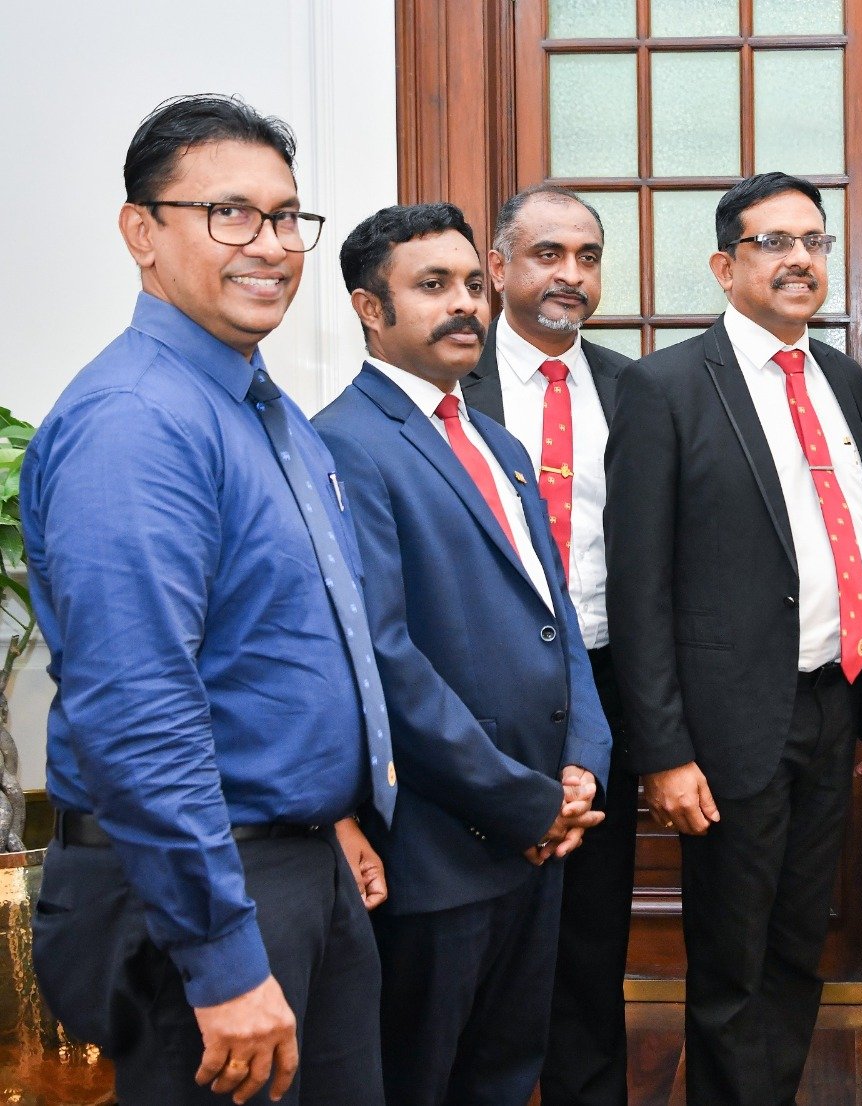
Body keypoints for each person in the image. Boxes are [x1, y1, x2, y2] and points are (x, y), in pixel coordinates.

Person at [22, 94, 393, 1106]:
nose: (269, 244)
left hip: (293, 861)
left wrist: (330, 816)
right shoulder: (136, 422)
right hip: (200, 889)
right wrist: (223, 957)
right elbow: (138, 711)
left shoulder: (261, 408)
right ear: (141, 231)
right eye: (230, 213)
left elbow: (274, 651)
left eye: (286, 216)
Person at [605, 171, 862, 1105]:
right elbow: (638, 587)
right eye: (774, 242)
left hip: (831, 704)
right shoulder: (664, 387)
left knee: (799, 944)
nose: (800, 259)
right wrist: (663, 752)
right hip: (727, 723)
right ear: (725, 267)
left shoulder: (846, 381)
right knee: (732, 960)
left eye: (814, 241)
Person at [312, 203, 610, 1106]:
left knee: (505, 1075)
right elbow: (384, 659)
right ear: (370, 309)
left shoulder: (498, 442)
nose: (465, 305)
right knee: (423, 1080)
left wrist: (583, 760)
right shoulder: (343, 443)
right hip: (441, 850)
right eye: (433, 286)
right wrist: (524, 804)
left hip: (541, 835)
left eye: (474, 284)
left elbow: (559, 618)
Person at [461, 184, 636, 1106]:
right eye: (548, 254)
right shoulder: (449, 384)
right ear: (498, 269)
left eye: (588, 257)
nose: (571, 274)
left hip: (606, 683)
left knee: (593, 933)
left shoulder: (638, 390)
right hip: (480, 693)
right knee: (477, 926)